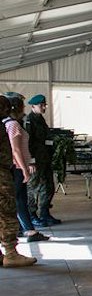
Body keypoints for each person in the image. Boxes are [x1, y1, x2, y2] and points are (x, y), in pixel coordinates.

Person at [3, 93, 50, 244]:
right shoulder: (13, 124)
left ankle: (22, 228)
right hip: (16, 167)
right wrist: (24, 168)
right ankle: (29, 230)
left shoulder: (8, 123)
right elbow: (16, 149)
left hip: (14, 166)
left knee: (18, 199)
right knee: (19, 199)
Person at [0, 95, 37, 267]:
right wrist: (24, 169)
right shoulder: (7, 125)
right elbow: (15, 150)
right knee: (7, 213)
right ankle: (11, 253)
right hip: (2, 175)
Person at [23, 94, 59, 226]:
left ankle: (44, 213)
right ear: (33, 106)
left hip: (45, 159)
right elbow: (27, 142)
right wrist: (31, 161)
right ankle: (31, 215)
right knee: (33, 188)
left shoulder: (40, 119)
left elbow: (46, 139)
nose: (44, 107)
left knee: (48, 187)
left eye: (45, 105)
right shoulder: (29, 121)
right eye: (41, 105)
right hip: (35, 160)